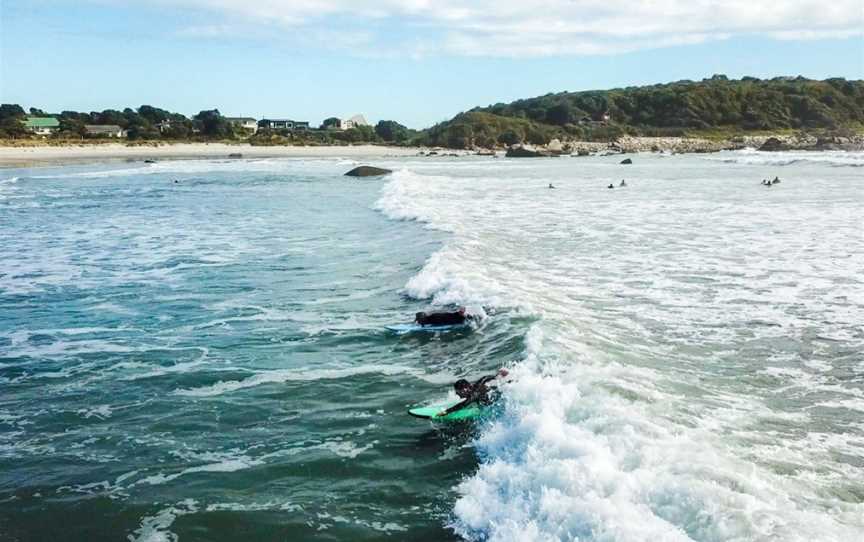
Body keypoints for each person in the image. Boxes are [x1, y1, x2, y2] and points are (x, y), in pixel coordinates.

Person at [439, 369, 509, 416]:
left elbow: (463, 404)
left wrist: (446, 412)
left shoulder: (474, 394)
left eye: (458, 392)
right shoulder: (476, 386)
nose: (457, 394)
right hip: (499, 394)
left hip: (499, 399)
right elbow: (485, 378)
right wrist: (497, 376)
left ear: (465, 389)